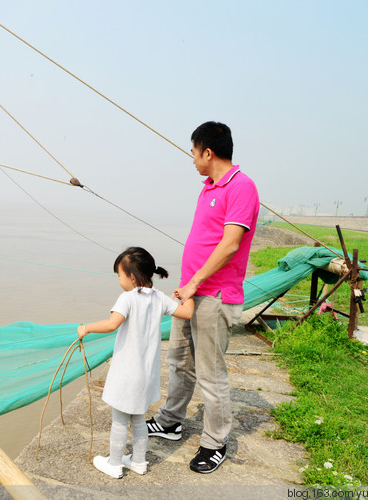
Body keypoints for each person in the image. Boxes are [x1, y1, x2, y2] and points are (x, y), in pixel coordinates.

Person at [145, 121, 259, 474]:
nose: (193, 161)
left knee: (211, 373)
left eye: (194, 153)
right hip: (191, 293)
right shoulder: (208, 187)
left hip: (215, 296)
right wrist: (187, 285)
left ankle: (215, 442)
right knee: (180, 361)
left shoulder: (242, 187)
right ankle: (170, 421)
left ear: (208, 152)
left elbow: (230, 244)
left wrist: (194, 283)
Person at [77, 247, 194, 478]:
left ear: (131, 276)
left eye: (119, 275)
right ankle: (139, 462)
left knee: (120, 420)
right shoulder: (160, 298)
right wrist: (186, 295)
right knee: (139, 418)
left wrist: (86, 328)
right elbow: (187, 314)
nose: (119, 280)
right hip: (147, 375)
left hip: (126, 374)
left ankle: (115, 463)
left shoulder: (127, 298)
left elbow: (112, 324)